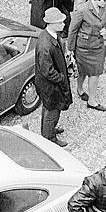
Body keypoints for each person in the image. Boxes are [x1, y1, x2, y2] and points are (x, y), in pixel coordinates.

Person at [67, 0, 106, 111]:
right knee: (82, 72)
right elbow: (72, 30)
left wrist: (103, 30)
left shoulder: (105, 7)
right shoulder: (82, 10)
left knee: (96, 73)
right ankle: (80, 89)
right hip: (84, 48)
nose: (105, 2)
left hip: (98, 46)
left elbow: (104, 21)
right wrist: (70, 49)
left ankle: (92, 100)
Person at [35, 8, 72, 147]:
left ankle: (47, 130)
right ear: (51, 24)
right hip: (51, 86)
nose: (64, 24)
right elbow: (47, 71)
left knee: (48, 107)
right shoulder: (46, 45)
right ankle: (50, 138)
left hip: (47, 86)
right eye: (61, 22)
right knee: (53, 110)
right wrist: (62, 78)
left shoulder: (49, 35)